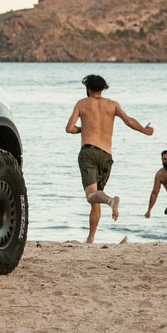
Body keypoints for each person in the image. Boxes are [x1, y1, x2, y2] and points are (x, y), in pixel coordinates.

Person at [64, 74, 154, 243]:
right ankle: (90, 239)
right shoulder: (112, 104)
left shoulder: (82, 103)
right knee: (96, 197)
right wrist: (144, 130)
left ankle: (111, 200)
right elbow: (128, 121)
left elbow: (69, 128)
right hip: (106, 156)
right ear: (102, 88)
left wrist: (84, 130)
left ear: (88, 88)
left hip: (88, 152)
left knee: (92, 196)